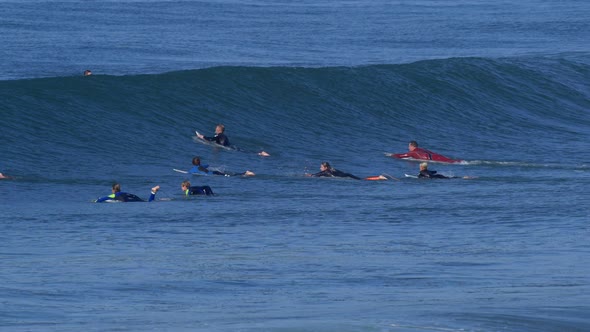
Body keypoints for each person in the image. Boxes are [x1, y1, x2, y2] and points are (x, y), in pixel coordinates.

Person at [196, 124, 270, 156]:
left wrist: (201, 136)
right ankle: (259, 153)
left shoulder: (218, 136)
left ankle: (260, 154)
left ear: (218, 130)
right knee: (244, 151)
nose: (215, 130)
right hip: (231, 146)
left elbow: (211, 139)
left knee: (245, 152)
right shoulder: (224, 136)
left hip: (228, 148)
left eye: (216, 129)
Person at [391, 141, 462, 163]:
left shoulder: (413, 152)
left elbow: (401, 156)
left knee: (451, 162)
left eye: (409, 146)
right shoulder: (422, 149)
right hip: (437, 155)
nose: (408, 148)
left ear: (412, 146)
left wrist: (391, 155)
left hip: (433, 158)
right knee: (453, 161)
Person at [188, 156, 255, 177]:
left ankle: (245, 173)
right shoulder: (202, 166)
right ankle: (244, 173)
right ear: (199, 162)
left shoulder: (193, 169)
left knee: (229, 176)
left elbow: (189, 172)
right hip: (214, 172)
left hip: (212, 174)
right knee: (229, 174)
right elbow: (207, 165)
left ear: (192, 163)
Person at [94, 183, 160, 202]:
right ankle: (153, 192)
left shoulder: (113, 195)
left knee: (148, 202)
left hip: (124, 200)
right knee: (147, 202)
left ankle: (153, 192)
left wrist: (96, 200)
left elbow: (103, 199)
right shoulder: (124, 192)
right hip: (133, 197)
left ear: (113, 189)